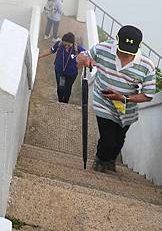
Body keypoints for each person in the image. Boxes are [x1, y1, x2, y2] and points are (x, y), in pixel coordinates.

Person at [77, 25, 156, 174]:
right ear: (117, 41)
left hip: (127, 109)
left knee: (119, 140)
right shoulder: (103, 48)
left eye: (129, 52)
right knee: (108, 139)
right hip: (103, 102)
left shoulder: (147, 65)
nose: (125, 55)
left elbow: (148, 95)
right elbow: (81, 56)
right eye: (122, 49)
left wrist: (123, 97)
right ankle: (100, 161)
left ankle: (110, 161)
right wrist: (86, 60)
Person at [39, 32, 85, 103]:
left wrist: (80, 65)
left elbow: (87, 56)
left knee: (68, 88)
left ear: (72, 43)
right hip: (60, 72)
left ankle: (65, 102)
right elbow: (51, 50)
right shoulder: (59, 45)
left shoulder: (77, 48)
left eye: (69, 44)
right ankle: (60, 101)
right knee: (61, 87)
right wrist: (39, 56)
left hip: (71, 74)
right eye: (65, 44)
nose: (66, 46)